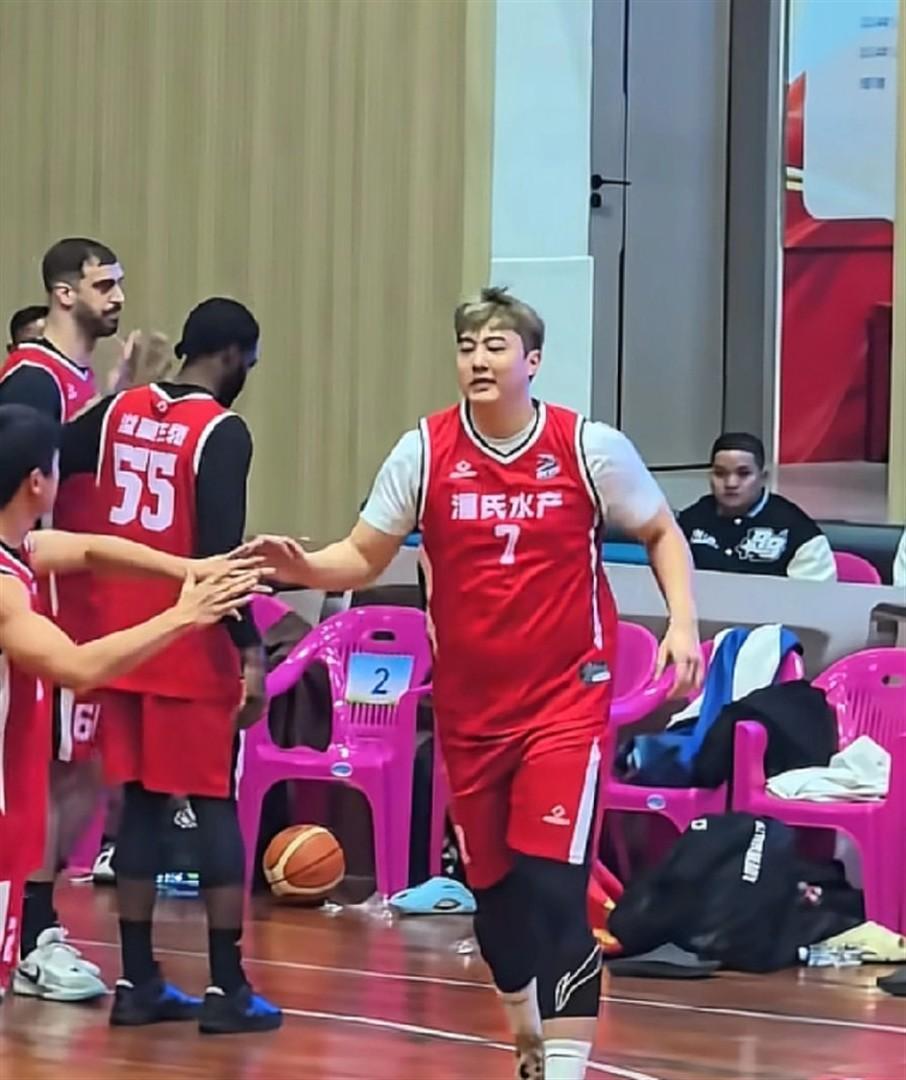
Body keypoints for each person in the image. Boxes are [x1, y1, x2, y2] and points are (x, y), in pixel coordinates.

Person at [247, 287, 702, 1079]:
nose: (479, 360)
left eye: (496, 346)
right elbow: (362, 557)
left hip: (565, 701)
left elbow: (662, 530)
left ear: (533, 361)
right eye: (467, 347)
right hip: (471, 713)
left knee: (555, 890)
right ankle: (528, 1038)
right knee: (497, 904)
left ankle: (564, 1067)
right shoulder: (423, 451)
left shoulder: (588, 447)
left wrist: (683, 623)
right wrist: (302, 566)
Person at [61, 297, 279, 1034]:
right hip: (188, 643)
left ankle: (137, 981)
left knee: (140, 807)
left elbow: (55, 452)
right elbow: (217, 552)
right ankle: (226, 987)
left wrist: (116, 388)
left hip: (121, 639)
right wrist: (250, 649)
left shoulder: (118, 413)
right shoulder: (222, 430)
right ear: (234, 356)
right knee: (213, 804)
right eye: (249, 362)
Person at [0, 403, 263, 999]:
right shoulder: (6, 588)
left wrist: (190, 569)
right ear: (38, 482)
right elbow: (78, 668)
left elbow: (93, 549)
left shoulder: (23, 549)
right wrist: (183, 616)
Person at [0, 239, 134, 999]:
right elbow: (29, 463)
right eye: (102, 284)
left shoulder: (77, 378)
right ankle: (31, 933)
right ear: (62, 293)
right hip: (38, 597)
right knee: (49, 773)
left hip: (79, 596)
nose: (116, 296)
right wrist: (117, 402)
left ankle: (34, 922)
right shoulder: (32, 376)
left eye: (118, 283)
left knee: (83, 771)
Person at [678, 432, 837, 581]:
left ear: (763, 477)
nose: (731, 483)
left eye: (743, 473)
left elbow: (813, 596)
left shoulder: (798, 531)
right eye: (720, 473)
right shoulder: (688, 521)